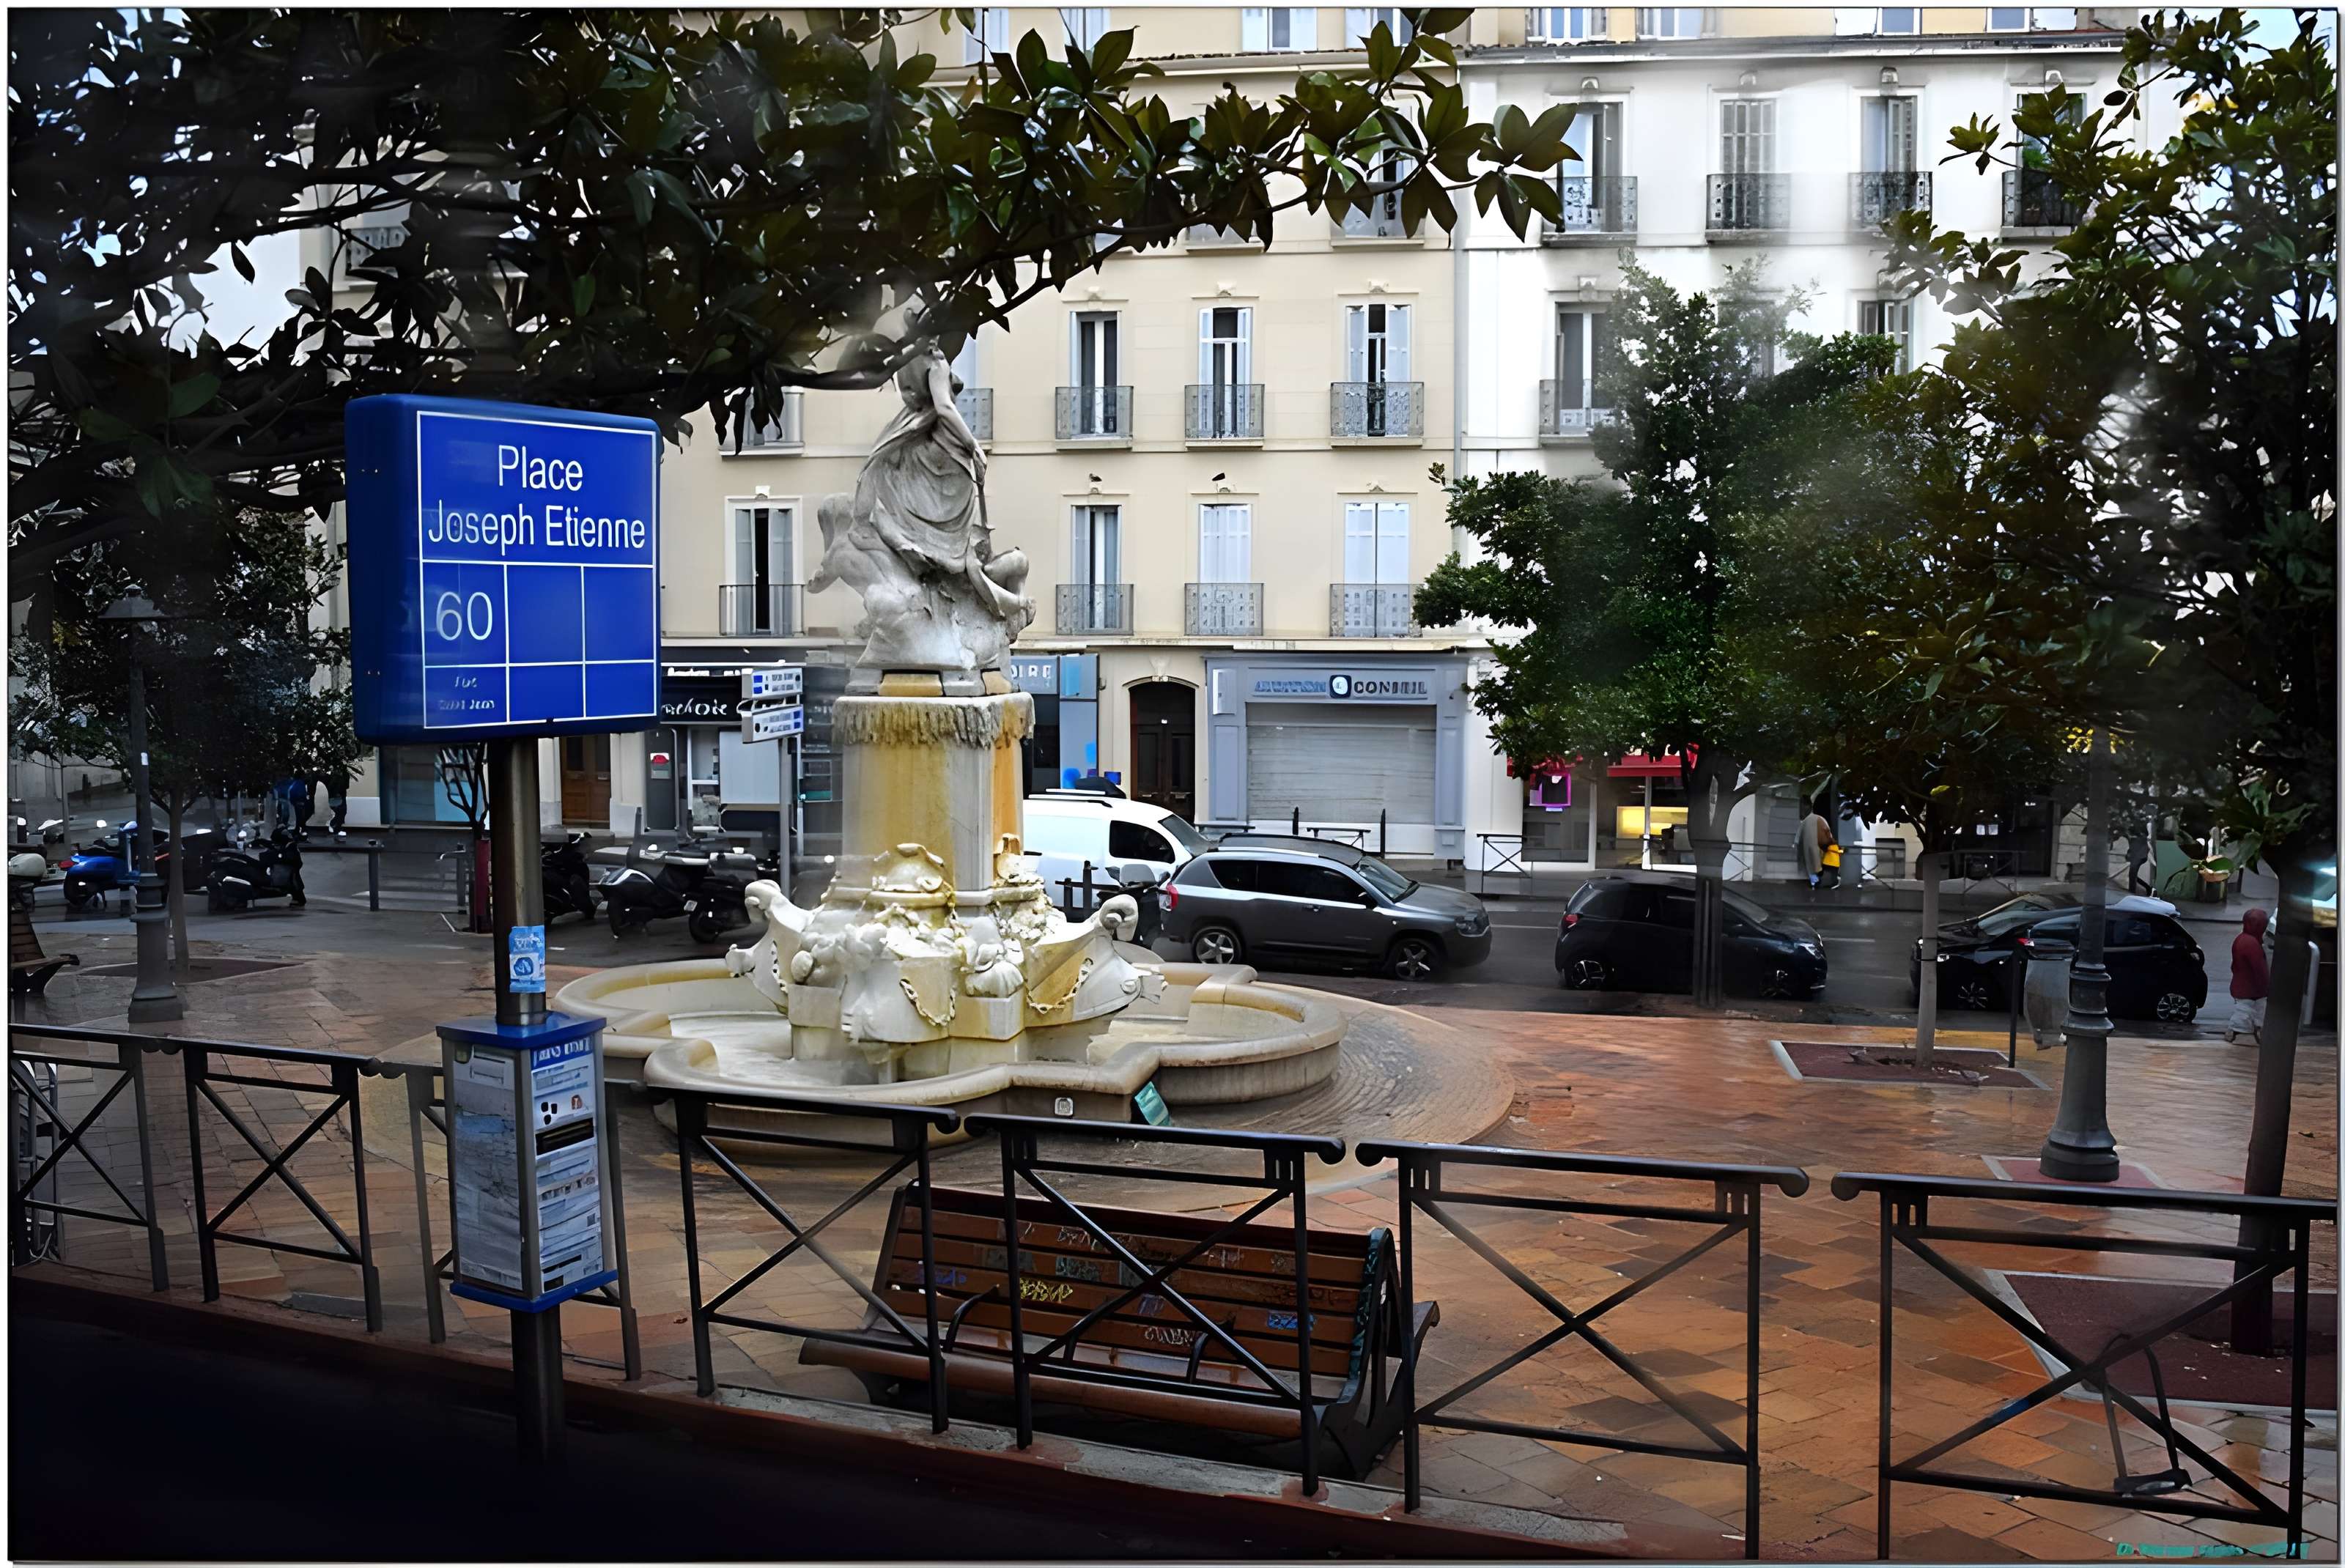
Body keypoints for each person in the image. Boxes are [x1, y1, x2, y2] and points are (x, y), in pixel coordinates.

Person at [2226, 906, 2271, 1046]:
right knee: (2246, 1011)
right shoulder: (2252, 944)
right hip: (2251, 988)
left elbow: (2235, 965)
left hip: (2243, 985)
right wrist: (2267, 985)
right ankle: (2239, 1032)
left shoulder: (2241, 939)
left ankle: (2240, 1032)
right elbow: (2260, 969)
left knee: (2248, 1010)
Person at [1797, 802, 1831, 888]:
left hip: (1811, 846)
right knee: (1816, 863)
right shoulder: (1820, 819)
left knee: (1811, 864)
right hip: (1817, 846)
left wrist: (1796, 842)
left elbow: (1799, 833)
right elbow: (1828, 831)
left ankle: (1814, 881)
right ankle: (1815, 881)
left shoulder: (1807, 821)